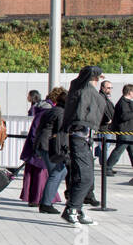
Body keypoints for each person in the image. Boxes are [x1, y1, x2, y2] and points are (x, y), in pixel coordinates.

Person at [59, 65, 105, 224]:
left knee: (81, 176)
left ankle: (76, 209)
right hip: (80, 138)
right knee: (86, 177)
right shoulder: (86, 92)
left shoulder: (79, 90)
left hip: (82, 138)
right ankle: (72, 209)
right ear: (96, 78)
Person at [28, 88, 67, 212]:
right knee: (57, 172)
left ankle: (46, 201)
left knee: (61, 171)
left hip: (43, 144)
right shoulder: (61, 113)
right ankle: (45, 203)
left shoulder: (52, 110)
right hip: (49, 146)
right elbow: (61, 131)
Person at [105, 84, 133, 174]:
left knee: (132, 151)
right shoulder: (123, 103)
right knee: (119, 150)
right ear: (129, 92)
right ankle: (107, 167)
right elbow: (124, 117)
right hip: (124, 131)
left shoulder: (128, 102)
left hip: (129, 131)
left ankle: (108, 167)